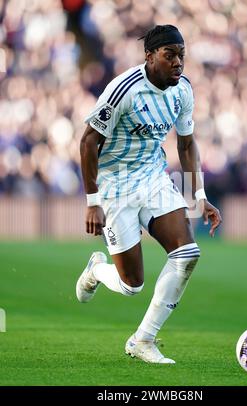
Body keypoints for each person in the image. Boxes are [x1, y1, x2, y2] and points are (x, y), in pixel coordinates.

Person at [77, 24, 222, 364]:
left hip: (152, 178)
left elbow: (186, 144)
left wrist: (199, 195)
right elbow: (88, 142)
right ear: (150, 56)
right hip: (114, 186)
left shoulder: (182, 91)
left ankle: (143, 339)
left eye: (181, 56)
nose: (178, 63)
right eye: (169, 55)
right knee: (132, 286)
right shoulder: (123, 90)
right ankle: (97, 269)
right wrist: (93, 201)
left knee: (187, 254)